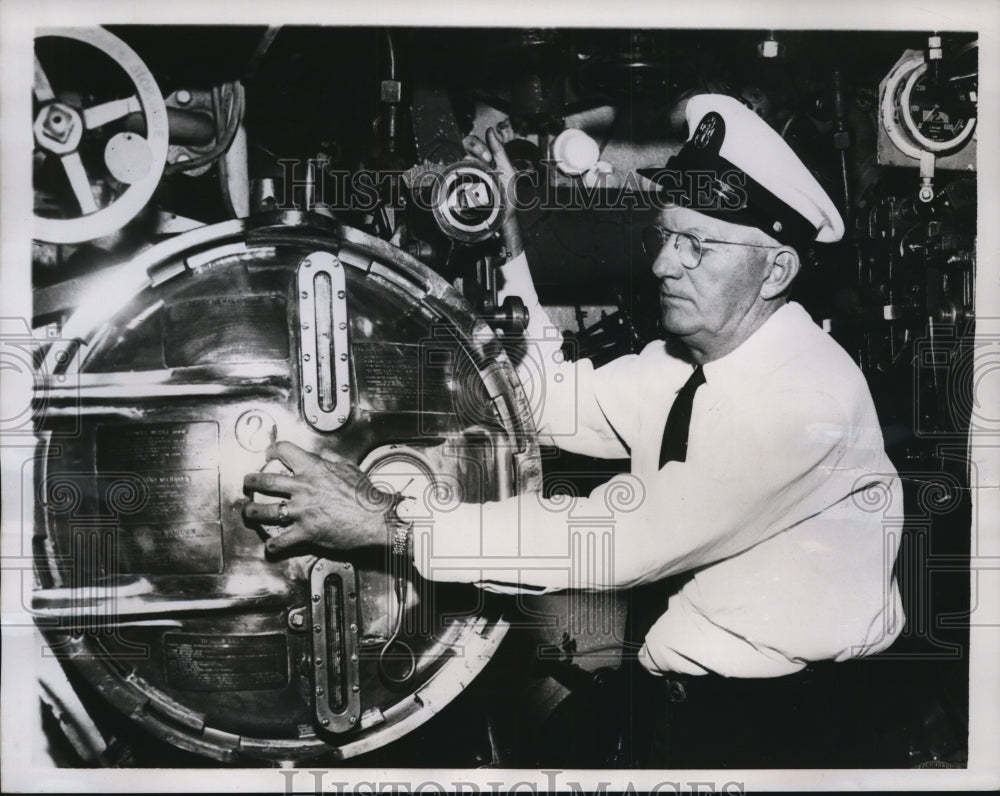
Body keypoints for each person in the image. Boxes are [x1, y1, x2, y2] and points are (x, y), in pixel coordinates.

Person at [243, 94, 905, 767]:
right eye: (665, 236)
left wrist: (389, 522)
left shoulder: (805, 397)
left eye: (696, 247)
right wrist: (509, 243)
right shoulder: (687, 366)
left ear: (776, 269)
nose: (662, 266)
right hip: (680, 707)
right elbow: (544, 399)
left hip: (776, 732)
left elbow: (620, 540)